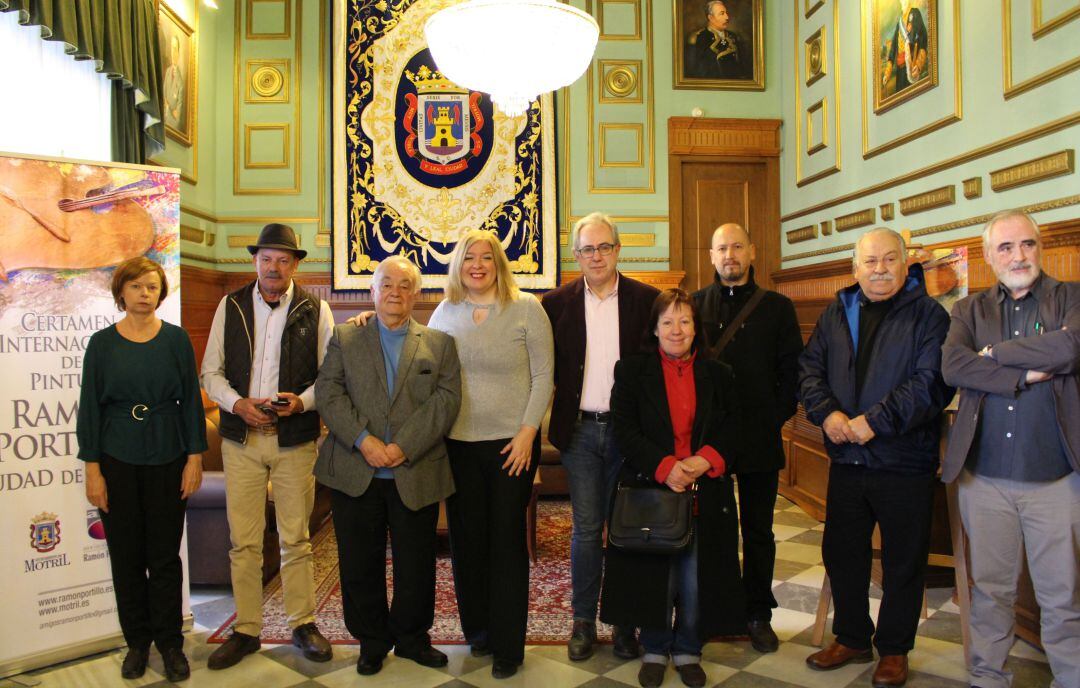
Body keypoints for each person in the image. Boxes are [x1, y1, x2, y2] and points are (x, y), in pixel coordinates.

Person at [798, 228, 952, 688]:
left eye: (889, 260)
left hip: (904, 460)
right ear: (855, 267)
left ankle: (893, 649)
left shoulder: (929, 316)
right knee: (842, 552)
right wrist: (827, 415)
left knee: (904, 560)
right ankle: (850, 637)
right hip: (846, 458)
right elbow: (809, 371)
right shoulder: (836, 312)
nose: (880, 269)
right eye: (870, 261)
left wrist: (874, 421)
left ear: (905, 265)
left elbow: (932, 384)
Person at [940, 210, 1080, 688]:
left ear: (1040, 247)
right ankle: (988, 677)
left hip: (1055, 478)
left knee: (1062, 597)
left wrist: (996, 355)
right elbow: (954, 367)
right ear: (987, 256)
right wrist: (1023, 375)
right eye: (1005, 247)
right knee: (993, 592)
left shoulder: (1071, 298)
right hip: (985, 478)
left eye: (1027, 244)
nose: (1018, 256)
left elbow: (1071, 348)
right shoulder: (968, 311)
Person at [314, 256, 462, 676]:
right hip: (354, 471)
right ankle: (372, 641)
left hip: (414, 471)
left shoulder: (440, 343)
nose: (395, 292)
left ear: (416, 294)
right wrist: (365, 440)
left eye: (404, 285)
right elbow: (329, 392)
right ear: (372, 292)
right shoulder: (346, 337)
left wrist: (402, 447)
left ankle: (414, 639)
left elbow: (446, 400)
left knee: (417, 563)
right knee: (360, 562)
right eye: (386, 285)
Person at [200, 223, 335, 669]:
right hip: (241, 440)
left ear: (296, 264)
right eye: (266, 259)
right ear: (255, 261)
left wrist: (301, 401)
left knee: (296, 538)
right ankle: (246, 631)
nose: (274, 267)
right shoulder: (229, 305)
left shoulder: (317, 309)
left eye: (283, 260)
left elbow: (329, 375)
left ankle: (302, 623)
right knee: (244, 542)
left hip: (294, 441)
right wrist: (237, 404)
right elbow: (211, 374)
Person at [601, 288, 745, 688]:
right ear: (655, 328)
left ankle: (687, 649)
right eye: (668, 322)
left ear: (696, 328)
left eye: (685, 321)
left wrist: (703, 460)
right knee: (656, 575)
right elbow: (624, 431)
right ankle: (653, 648)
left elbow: (735, 428)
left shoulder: (720, 374)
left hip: (704, 488)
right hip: (653, 487)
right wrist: (666, 467)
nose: (676, 330)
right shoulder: (630, 371)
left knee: (695, 576)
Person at [428, 229, 554, 679]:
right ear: (458, 266)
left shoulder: (526, 309)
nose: (477, 265)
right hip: (458, 445)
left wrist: (527, 433)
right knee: (467, 542)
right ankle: (478, 632)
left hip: (511, 447)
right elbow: (423, 365)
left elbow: (543, 377)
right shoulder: (445, 311)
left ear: (499, 263)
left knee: (505, 543)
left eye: (486, 257)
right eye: (469, 258)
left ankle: (508, 646)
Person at [76, 257, 206, 683]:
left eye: (152, 287)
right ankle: (137, 643)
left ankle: (170, 643)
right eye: (136, 286)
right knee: (126, 557)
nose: (144, 294)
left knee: (165, 557)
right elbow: (90, 411)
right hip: (116, 459)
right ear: (122, 292)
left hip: (168, 456)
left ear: (160, 293)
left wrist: (194, 458)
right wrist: (92, 469)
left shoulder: (176, 340)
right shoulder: (101, 344)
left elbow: (190, 401)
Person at [541, 212, 659, 662]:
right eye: (587, 249)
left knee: (627, 530)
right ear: (575, 255)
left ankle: (626, 622)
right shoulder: (555, 303)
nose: (596, 255)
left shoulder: (648, 301)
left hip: (631, 435)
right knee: (587, 530)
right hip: (580, 432)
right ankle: (584, 621)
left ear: (618, 249)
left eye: (604, 246)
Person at [691, 223, 803, 653]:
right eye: (722, 248)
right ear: (712, 256)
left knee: (758, 530)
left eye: (737, 246)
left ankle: (758, 612)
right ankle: (715, 609)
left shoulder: (777, 307)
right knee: (713, 530)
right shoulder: (696, 304)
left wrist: (772, 419)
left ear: (752, 252)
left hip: (758, 436)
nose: (730, 255)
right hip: (709, 441)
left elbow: (790, 373)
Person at [686, 0, 750, 80]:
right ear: (711, 18)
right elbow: (693, 72)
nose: (727, 17)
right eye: (722, 13)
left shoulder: (734, 37)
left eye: (726, 13)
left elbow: (743, 68)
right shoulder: (698, 38)